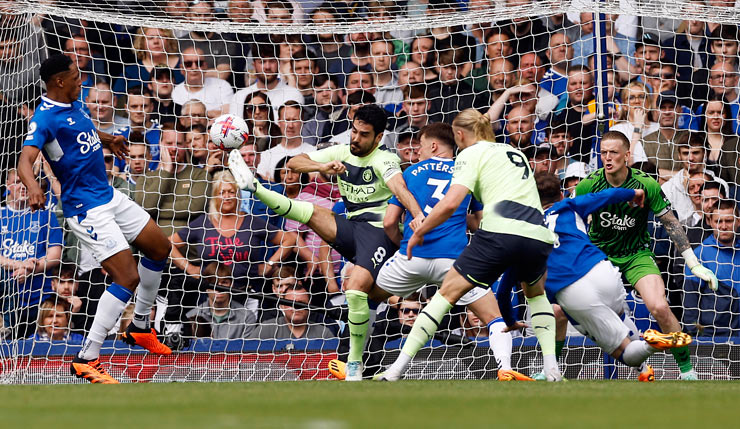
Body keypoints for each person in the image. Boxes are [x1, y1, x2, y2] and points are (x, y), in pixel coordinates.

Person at [229, 104, 423, 380]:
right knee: (309, 212)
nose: (355, 138)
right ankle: (254, 188)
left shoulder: (384, 159)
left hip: (379, 234)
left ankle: (353, 364)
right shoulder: (342, 152)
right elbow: (295, 162)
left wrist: (417, 216)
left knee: (356, 289)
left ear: (378, 138)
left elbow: (399, 189)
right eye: (354, 131)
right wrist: (322, 166)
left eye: (363, 135)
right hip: (351, 228)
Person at [18, 54, 172, 384]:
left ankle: (141, 327)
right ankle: (86, 358)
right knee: (126, 277)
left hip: (108, 195)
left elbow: (82, 131)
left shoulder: (73, 104)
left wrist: (109, 138)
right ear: (59, 81)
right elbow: (25, 160)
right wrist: (33, 187)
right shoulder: (43, 119)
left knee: (160, 247)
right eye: (75, 77)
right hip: (85, 209)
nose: (80, 81)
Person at [382, 108, 562, 381]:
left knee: (444, 296)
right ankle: (552, 370)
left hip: (499, 231)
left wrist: (421, 231)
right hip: (537, 233)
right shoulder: (515, 152)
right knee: (536, 296)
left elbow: (452, 202)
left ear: (459, 134)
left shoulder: (468, 155)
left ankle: (396, 370)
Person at [507, 173, 693, 381]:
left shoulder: (525, 229)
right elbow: (608, 194)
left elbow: (510, 278)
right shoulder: (570, 204)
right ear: (561, 193)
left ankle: (651, 344)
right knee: (616, 316)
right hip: (603, 270)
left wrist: (508, 316)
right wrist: (635, 192)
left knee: (625, 353)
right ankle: (643, 369)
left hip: (573, 291)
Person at [575, 130, 718, 380]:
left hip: (636, 255)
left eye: (614, 153)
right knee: (570, 308)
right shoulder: (589, 184)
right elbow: (572, 219)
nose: (607, 158)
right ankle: (552, 370)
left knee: (660, 307)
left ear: (627, 155)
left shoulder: (646, 184)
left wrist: (692, 262)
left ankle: (687, 372)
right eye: (603, 153)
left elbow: (671, 223)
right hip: (599, 256)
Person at [1, 168, 63, 338]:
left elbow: (55, 255)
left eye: (26, 182)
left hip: (39, 299)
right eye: (17, 182)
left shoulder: (45, 215)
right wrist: (21, 266)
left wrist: (30, 270)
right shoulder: (1, 216)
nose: (22, 187)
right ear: (7, 185)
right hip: (6, 302)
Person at [135, 123, 210, 237]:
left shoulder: (200, 175)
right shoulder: (146, 179)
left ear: (185, 146)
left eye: (179, 144)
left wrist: (157, 209)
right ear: (160, 145)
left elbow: (194, 208)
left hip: (189, 250)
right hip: (153, 249)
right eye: (169, 143)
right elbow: (145, 207)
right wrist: (166, 170)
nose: (174, 148)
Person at [186, 262, 259, 339]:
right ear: (205, 286)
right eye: (213, 283)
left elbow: (247, 349)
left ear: (231, 285)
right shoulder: (191, 317)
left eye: (224, 283)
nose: (219, 288)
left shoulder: (246, 318)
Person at [256, 101, 316, 180]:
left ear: (302, 122)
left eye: (294, 120)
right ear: (279, 122)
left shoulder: (314, 152)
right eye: (287, 120)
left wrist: (272, 181)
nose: (290, 125)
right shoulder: (266, 156)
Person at [252, 285, 335, 340]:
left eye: (301, 303)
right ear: (283, 305)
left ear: (309, 305)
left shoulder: (323, 334)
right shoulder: (266, 329)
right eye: (291, 303)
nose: (296, 307)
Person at [172, 46, 233, 119]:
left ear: (205, 66)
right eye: (188, 64)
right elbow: (184, 120)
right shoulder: (176, 91)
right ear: (182, 68)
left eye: (199, 63)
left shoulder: (222, 86)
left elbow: (229, 115)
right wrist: (211, 114)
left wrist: (196, 115)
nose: (194, 67)